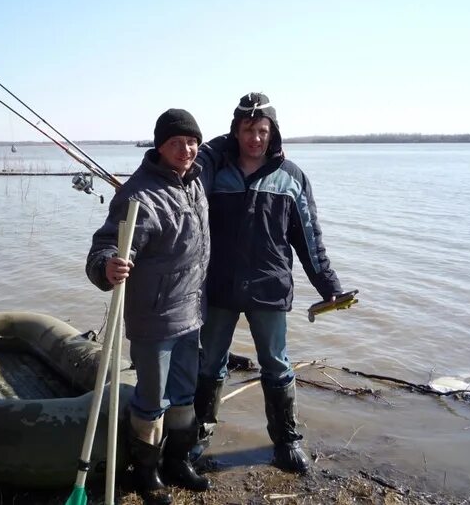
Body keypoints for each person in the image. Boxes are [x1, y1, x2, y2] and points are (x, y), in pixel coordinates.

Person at [193, 92, 344, 473]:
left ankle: (287, 442)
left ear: (272, 132)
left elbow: (309, 237)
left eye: (262, 130)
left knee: (276, 365)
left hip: (269, 288)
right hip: (219, 287)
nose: (255, 138)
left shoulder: (291, 177)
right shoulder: (215, 171)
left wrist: (328, 284)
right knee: (210, 363)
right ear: (236, 131)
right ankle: (199, 434)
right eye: (248, 129)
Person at [86, 109, 211, 505]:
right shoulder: (137, 195)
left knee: (185, 394)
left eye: (192, 142)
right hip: (154, 318)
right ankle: (147, 473)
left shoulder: (195, 182)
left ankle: (178, 461)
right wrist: (107, 266)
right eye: (177, 143)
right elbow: (105, 245)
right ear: (160, 146)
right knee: (152, 399)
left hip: (192, 313)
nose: (186, 150)